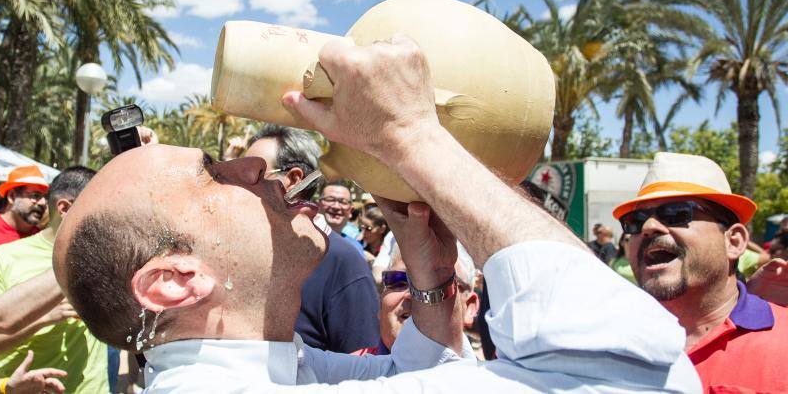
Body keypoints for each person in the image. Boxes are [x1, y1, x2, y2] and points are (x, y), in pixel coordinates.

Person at [53, 34, 699, 392]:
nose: (250, 166)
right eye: (212, 175)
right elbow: (643, 378)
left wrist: (429, 268)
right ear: (175, 278)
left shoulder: (274, 372)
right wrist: (416, 140)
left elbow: (411, 376)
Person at [613, 151, 788, 393]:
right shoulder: (607, 340)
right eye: (635, 220)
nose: (648, 227)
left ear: (734, 242)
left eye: (676, 213)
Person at [245, 124, 380, 353]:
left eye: (249, 174)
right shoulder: (241, 250)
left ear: (294, 180)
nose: (237, 185)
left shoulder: (342, 262)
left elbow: (362, 366)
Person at [0, 166, 107, 393]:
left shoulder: (104, 254)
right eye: (99, 208)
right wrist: (42, 318)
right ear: (65, 209)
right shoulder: (1, 259)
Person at [354, 242, 479, 356]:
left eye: (435, 284)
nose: (414, 294)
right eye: (398, 280)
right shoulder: (348, 374)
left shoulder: (486, 380)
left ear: (469, 307)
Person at [0, 166, 49, 250]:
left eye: (46, 197)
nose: (43, 203)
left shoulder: (42, 238)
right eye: (35, 195)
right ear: (12, 196)